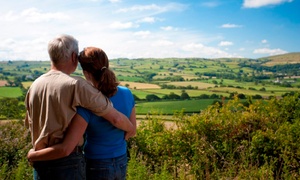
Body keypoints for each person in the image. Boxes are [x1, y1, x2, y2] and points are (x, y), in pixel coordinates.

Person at [25, 35, 134, 180]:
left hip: (40, 162)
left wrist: (34, 154)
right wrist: (131, 128)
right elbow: (115, 118)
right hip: (68, 163)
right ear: (72, 57)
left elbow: (30, 123)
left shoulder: (34, 85)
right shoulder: (77, 86)